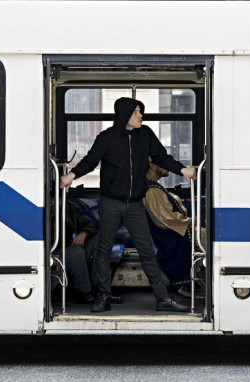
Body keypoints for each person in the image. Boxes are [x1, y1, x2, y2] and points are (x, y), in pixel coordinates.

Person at [60, 97, 196, 313]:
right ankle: (103, 296)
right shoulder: (107, 138)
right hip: (110, 203)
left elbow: (162, 157)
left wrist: (183, 170)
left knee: (147, 251)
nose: (141, 115)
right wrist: (71, 176)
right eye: (136, 112)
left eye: (140, 111)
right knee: (103, 250)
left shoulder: (146, 135)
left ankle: (163, 298)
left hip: (135, 205)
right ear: (125, 114)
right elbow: (90, 161)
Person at [143, 160, 206, 297]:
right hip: (169, 235)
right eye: (162, 161)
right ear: (152, 165)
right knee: (208, 239)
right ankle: (188, 283)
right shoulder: (152, 189)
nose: (167, 166)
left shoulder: (155, 186)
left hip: (175, 230)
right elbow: (165, 219)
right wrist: (191, 221)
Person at [51, 200, 99, 304]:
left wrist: (84, 232)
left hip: (67, 247)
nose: (55, 201)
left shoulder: (70, 207)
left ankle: (96, 286)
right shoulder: (37, 208)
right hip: (49, 252)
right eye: (51, 197)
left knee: (99, 239)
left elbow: (90, 224)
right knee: (76, 252)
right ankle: (82, 291)